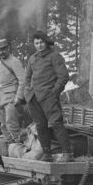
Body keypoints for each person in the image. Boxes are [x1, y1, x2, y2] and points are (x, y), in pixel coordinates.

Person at [20, 31, 72, 162]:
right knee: (40, 125)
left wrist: (54, 93)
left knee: (56, 123)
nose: (39, 45)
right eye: (36, 43)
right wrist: (27, 90)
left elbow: (63, 77)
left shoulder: (55, 56)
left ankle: (67, 154)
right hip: (33, 97)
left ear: (46, 42)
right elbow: (27, 78)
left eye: (41, 42)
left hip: (48, 97)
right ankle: (47, 154)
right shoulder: (32, 58)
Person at [0, 38, 25, 144]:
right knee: (3, 125)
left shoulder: (14, 61)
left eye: (3, 49)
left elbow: (23, 80)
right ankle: (10, 146)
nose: (1, 52)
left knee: (11, 123)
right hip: (0, 99)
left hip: (11, 98)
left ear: (8, 48)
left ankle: (19, 145)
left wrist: (19, 97)